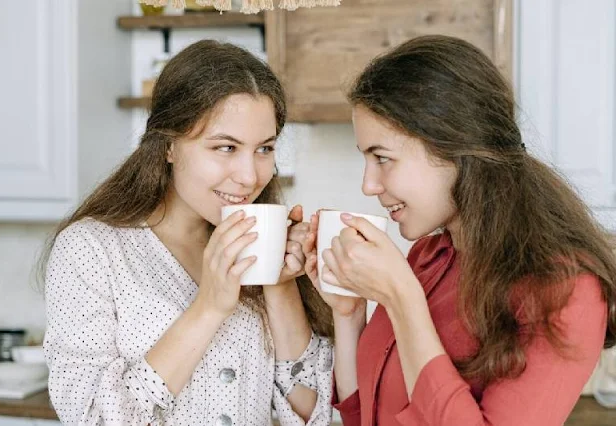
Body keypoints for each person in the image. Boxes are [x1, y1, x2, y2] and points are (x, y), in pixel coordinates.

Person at [303, 35, 616, 426]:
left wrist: (404, 301)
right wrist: (348, 314)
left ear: (453, 148)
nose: (369, 185)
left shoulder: (566, 290)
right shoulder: (430, 256)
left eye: (382, 158)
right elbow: (363, 414)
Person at [41, 40, 334, 426]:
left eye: (264, 149)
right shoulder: (91, 249)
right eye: (226, 147)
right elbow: (93, 418)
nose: (250, 176)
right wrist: (208, 307)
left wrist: (278, 285)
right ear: (168, 146)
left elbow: (312, 409)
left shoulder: (259, 243)